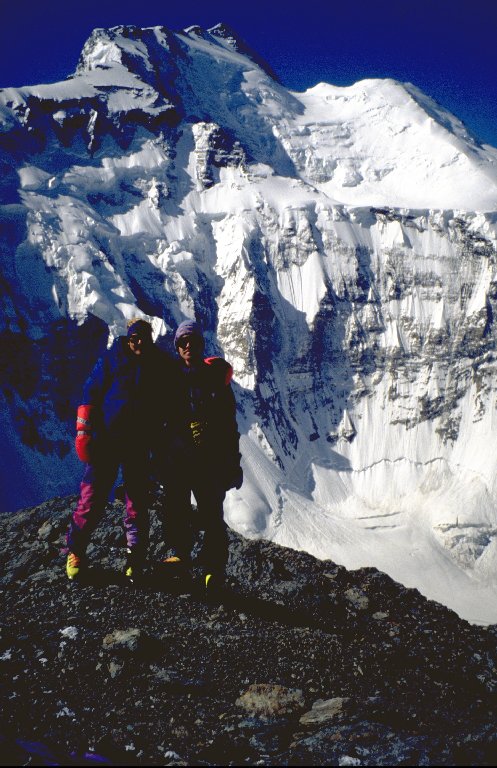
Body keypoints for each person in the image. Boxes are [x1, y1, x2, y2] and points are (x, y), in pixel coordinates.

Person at [66, 318, 172, 582]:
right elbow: (90, 391)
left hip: (138, 444)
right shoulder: (112, 359)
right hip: (106, 441)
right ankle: (75, 551)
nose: (139, 342)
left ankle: (135, 559)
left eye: (144, 338)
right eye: (135, 337)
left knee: (137, 503)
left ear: (149, 339)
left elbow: (169, 397)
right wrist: (84, 431)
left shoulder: (157, 365)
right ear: (129, 337)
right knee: (91, 499)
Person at [159, 320, 242, 591]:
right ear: (177, 347)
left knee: (212, 514)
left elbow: (229, 425)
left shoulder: (215, 379)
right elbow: (161, 420)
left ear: (200, 345)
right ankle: (180, 557)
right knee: (177, 509)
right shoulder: (170, 378)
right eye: (182, 343)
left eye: (191, 342)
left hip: (209, 459)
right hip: (178, 457)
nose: (187, 347)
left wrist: (232, 462)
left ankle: (213, 569)